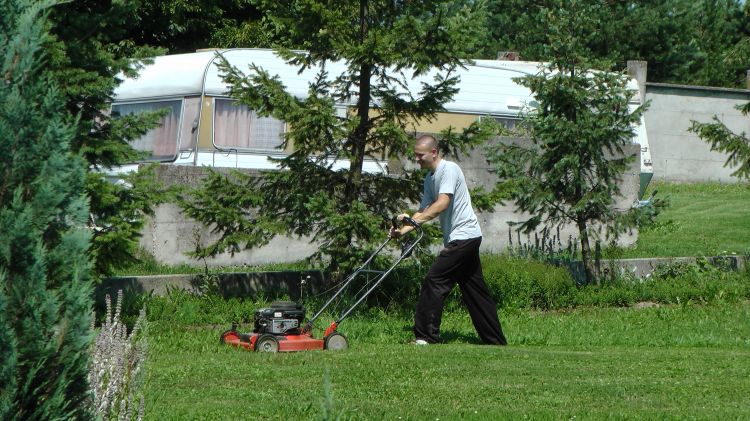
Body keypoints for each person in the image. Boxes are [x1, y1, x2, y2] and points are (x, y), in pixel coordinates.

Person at [390, 134, 507, 345]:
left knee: (434, 280)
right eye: (415, 155)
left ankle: (426, 337)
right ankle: (495, 341)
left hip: (464, 237)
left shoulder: (449, 170)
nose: (417, 159)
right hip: (465, 238)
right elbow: (424, 210)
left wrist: (412, 223)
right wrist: (403, 230)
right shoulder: (429, 178)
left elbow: (442, 204)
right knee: (475, 291)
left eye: (420, 155)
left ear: (433, 153)